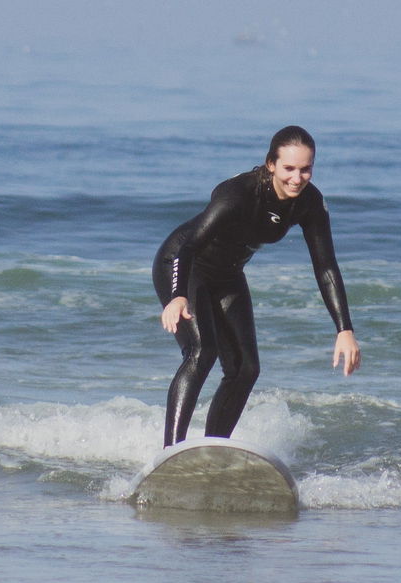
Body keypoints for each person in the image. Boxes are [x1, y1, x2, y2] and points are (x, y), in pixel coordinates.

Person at [152, 126, 361, 447]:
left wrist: (344, 329)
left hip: (228, 274)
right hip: (182, 266)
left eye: (306, 169)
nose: (297, 178)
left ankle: (212, 450)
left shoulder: (310, 203)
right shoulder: (237, 195)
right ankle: (170, 452)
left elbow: (326, 267)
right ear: (271, 165)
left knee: (245, 369)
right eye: (289, 168)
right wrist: (178, 296)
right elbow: (188, 247)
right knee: (201, 352)